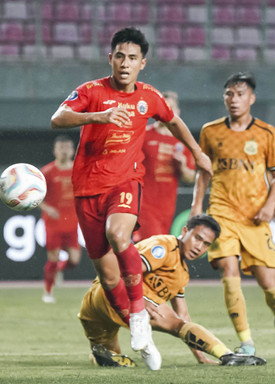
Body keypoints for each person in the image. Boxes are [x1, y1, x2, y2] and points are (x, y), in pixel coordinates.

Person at [50, 27, 212, 359]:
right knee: (108, 277)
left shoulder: (148, 97)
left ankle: (139, 314)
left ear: (143, 63)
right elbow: (57, 118)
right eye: (120, 56)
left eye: (133, 58)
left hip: (125, 184)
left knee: (118, 233)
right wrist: (99, 116)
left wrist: (196, 152)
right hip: (86, 190)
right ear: (110, 59)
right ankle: (142, 337)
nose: (125, 63)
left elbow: (174, 121)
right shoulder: (91, 91)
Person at [190, 72, 275, 357]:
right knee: (228, 269)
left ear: (252, 98)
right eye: (229, 94)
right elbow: (203, 173)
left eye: (240, 94)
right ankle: (246, 341)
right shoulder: (210, 131)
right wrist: (196, 206)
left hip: (255, 218)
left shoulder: (266, 132)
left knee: (269, 285)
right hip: (222, 214)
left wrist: (270, 205)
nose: (234, 99)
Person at [78, 214, 267, 370]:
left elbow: (184, 316)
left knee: (110, 356)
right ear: (184, 231)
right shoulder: (165, 247)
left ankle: (104, 355)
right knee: (174, 323)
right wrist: (141, 301)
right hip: (111, 294)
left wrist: (199, 355)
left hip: (94, 310)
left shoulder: (182, 274)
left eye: (206, 244)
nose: (199, 247)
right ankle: (227, 355)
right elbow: (124, 270)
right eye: (197, 238)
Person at [133, 91, 195, 242]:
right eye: (162, 107)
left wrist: (182, 166)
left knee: (154, 248)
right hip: (144, 204)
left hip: (168, 206)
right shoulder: (143, 135)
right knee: (154, 245)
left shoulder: (183, 140)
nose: (166, 111)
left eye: (171, 107)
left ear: (177, 111)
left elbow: (191, 177)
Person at [39, 135, 82, 303]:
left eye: (67, 148)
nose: (64, 151)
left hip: (72, 221)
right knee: (53, 257)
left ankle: (59, 270)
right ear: (55, 150)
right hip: (53, 223)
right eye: (61, 148)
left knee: (75, 260)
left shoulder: (78, 169)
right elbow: (36, 197)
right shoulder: (47, 172)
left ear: (72, 150)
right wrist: (47, 208)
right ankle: (48, 292)